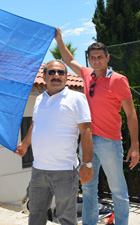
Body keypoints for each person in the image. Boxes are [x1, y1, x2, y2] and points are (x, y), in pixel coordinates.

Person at [55, 27, 140, 225]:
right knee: (88, 188)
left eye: (100, 57)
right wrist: (59, 39)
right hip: (86, 143)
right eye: (92, 57)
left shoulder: (118, 80)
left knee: (118, 191)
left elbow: (131, 113)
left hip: (109, 142)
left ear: (107, 58)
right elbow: (69, 60)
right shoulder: (87, 75)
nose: (96, 61)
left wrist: (134, 145)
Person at [16, 59, 93, 225]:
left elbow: (86, 131)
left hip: (64, 171)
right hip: (39, 170)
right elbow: (36, 125)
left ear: (66, 77)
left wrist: (87, 163)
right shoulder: (39, 100)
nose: (56, 75)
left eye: (61, 72)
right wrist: (25, 144)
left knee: (66, 218)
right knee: (35, 214)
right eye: (51, 72)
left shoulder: (76, 98)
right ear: (44, 76)